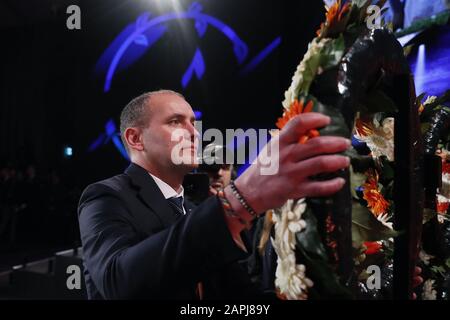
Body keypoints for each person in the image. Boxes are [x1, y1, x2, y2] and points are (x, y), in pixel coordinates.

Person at [78, 89, 352, 299]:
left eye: (193, 122)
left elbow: (240, 299)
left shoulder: (192, 209)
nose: (193, 132)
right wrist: (241, 197)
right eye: (175, 122)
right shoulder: (105, 197)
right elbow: (119, 282)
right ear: (136, 139)